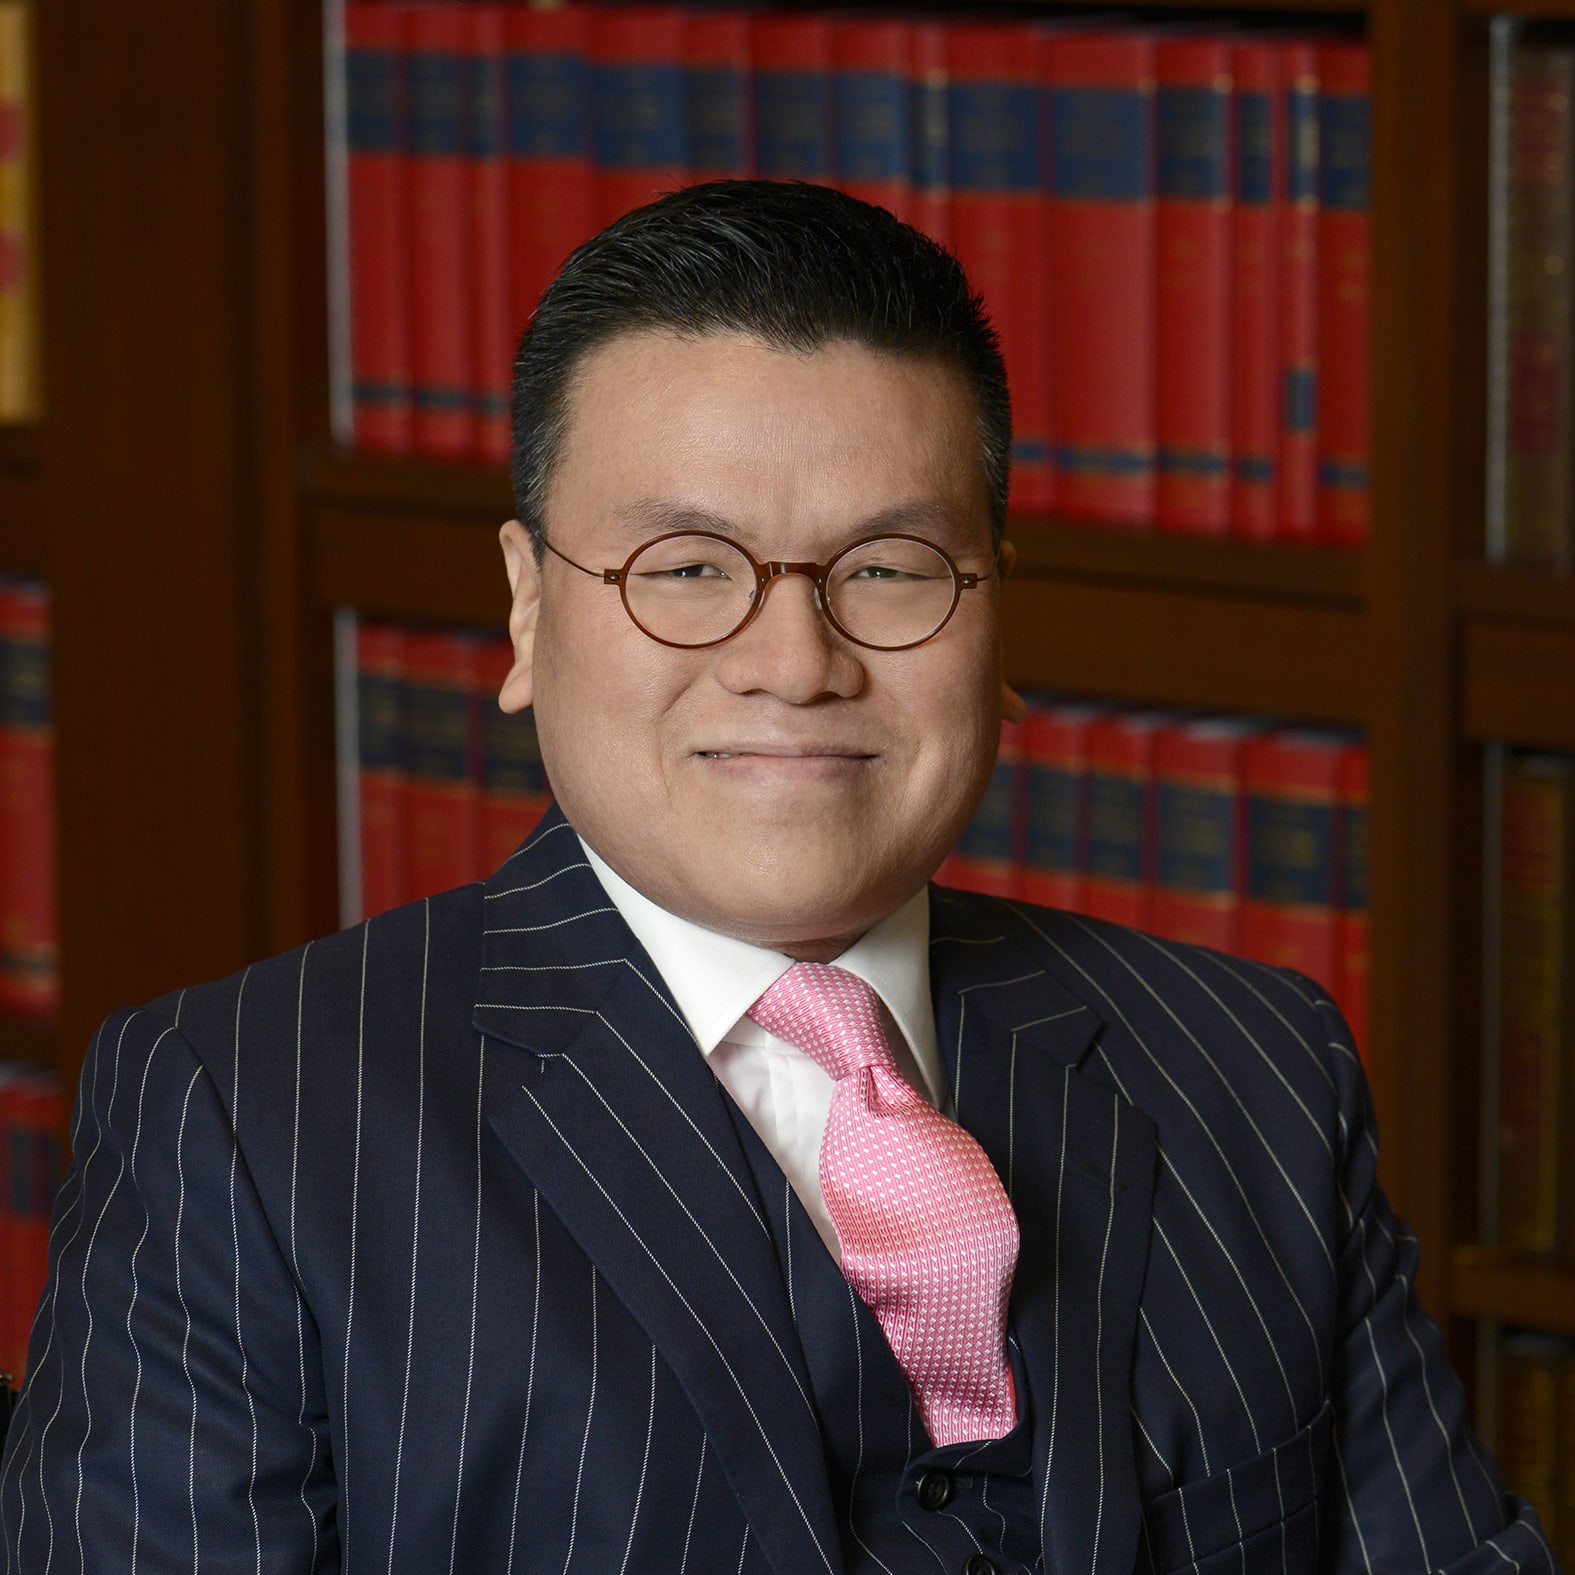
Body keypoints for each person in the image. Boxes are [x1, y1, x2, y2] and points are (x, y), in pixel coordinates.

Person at [0, 180, 1555, 1574]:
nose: (796, 663)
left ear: (998, 614)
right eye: (688, 570)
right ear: (529, 611)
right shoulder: (241, 1120)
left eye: (887, 568)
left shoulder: (1259, 1068)